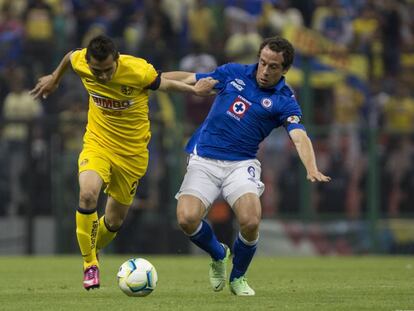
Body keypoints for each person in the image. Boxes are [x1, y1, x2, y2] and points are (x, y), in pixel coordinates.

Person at [30, 35, 214, 290]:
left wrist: (194, 88)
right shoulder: (82, 61)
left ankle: (89, 243)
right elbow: (70, 57)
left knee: (113, 221)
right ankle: (90, 264)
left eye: (107, 70)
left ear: (116, 60)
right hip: (98, 144)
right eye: (96, 71)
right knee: (87, 195)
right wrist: (54, 78)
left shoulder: (137, 70)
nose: (102, 77)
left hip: (132, 155)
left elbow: (167, 83)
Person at [163, 36, 331, 296]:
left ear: (285, 69)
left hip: (241, 164)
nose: (265, 70)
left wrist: (311, 167)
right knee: (186, 219)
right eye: (262, 62)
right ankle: (219, 254)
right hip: (204, 158)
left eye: (273, 66)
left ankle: (238, 277)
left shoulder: (285, 100)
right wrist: (152, 79)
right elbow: (191, 78)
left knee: (251, 220)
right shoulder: (233, 73)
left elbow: (299, 135)